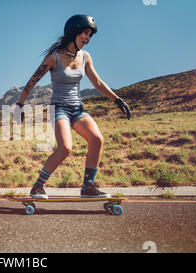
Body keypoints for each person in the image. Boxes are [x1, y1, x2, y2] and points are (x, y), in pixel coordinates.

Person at [16, 14, 131, 199]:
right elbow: (33, 80)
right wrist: (20, 104)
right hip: (59, 108)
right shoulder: (54, 58)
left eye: (90, 35)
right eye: (85, 33)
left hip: (77, 108)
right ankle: (38, 186)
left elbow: (98, 83)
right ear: (74, 32)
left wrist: (117, 99)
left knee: (97, 140)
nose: (87, 38)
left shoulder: (85, 57)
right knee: (65, 148)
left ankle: (88, 187)